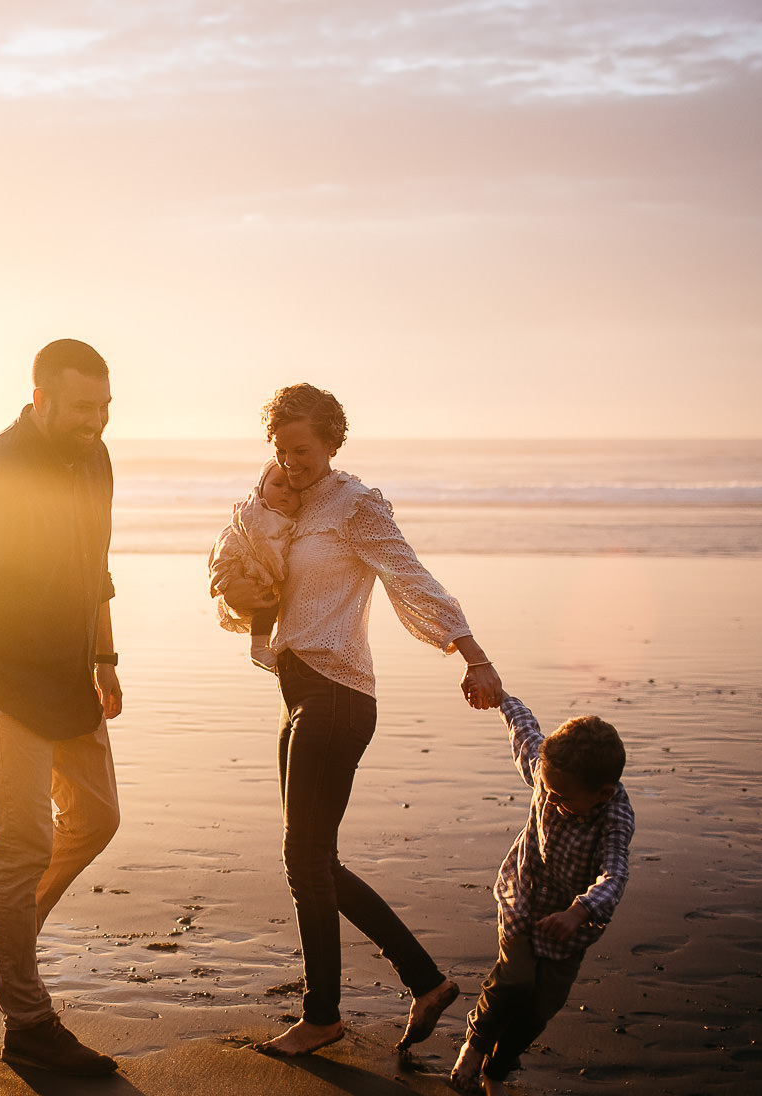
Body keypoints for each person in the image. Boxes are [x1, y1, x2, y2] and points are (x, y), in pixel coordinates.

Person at [211, 382, 504, 1057]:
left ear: (332, 443)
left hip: (337, 694)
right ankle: (426, 982)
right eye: (281, 450)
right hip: (297, 691)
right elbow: (250, 581)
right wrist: (239, 589)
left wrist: (474, 656)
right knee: (317, 860)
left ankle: (322, 1016)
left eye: (302, 450)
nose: (291, 463)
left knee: (304, 860)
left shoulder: (355, 505)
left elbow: (411, 577)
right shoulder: (276, 506)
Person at [0, 338, 123, 1075]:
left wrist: (105, 658)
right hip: (4, 689)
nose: (95, 421)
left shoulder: (95, 458)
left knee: (97, 818)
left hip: (69, 680)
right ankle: (29, 1023)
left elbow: (96, 568)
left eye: (105, 407)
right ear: (40, 399)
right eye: (81, 407)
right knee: (22, 849)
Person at [450, 696, 633, 1095]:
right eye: (547, 789)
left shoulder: (614, 817)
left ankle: (497, 1070)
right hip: (523, 898)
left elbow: (615, 874)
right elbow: (525, 732)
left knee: (541, 1007)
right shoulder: (550, 774)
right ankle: (474, 1047)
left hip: (568, 927)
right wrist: (500, 697)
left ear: (603, 793)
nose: (550, 799)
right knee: (514, 980)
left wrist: (579, 911)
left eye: (562, 797)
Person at [208, 459, 302, 671]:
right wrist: (279, 571)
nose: (285, 491)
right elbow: (263, 546)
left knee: (268, 602)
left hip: (246, 562)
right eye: (277, 485)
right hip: (240, 560)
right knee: (267, 603)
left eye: (293, 489)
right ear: (261, 487)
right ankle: (258, 648)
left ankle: (261, 647)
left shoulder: (276, 515)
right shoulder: (261, 515)